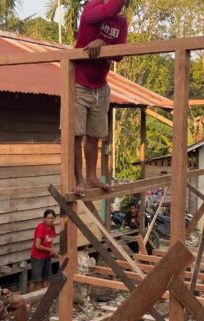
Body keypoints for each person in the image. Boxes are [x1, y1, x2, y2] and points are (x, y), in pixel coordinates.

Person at [73, 0, 129, 197]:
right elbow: (109, 9)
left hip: (100, 85)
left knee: (94, 134)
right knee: (76, 134)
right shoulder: (92, 6)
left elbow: (119, 54)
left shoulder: (121, 22)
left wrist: (103, 43)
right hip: (78, 82)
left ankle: (91, 177)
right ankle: (79, 180)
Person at [29, 209, 59, 292]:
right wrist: (50, 249)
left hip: (47, 256)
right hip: (37, 257)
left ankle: (45, 296)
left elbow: (50, 241)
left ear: (54, 218)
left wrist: (52, 251)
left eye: (52, 218)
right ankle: (30, 298)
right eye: (48, 218)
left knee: (46, 278)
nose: (50, 220)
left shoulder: (52, 227)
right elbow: (37, 246)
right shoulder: (41, 228)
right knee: (35, 280)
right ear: (44, 218)